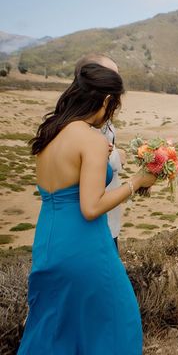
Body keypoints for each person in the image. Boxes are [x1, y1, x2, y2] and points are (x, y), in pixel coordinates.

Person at [19, 64, 156, 355]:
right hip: (85, 246)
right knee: (117, 323)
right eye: (114, 105)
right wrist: (137, 181)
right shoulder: (92, 140)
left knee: (55, 329)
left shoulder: (52, 132)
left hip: (48, 242)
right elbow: (91, 207)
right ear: (106, 101)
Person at [75, 54, 124, 247]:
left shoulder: (102, 116)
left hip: (109, 216)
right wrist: (118, 157)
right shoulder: (82, 126)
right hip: (92, 223)